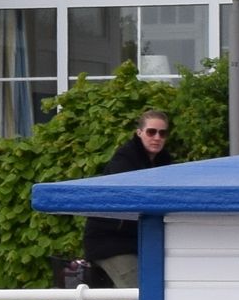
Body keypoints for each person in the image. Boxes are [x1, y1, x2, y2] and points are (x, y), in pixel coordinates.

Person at [70, 108, 175, 288]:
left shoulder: (164, 161)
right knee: (141, 294)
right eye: (151, 132)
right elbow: (128, 194)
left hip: (139, 241)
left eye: (162, 133)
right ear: (139, 132)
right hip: (110, 243)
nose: (157, 137)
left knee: (165, 286)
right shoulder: (125, 158)